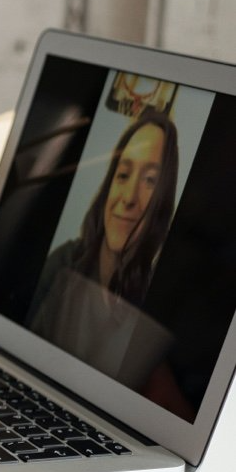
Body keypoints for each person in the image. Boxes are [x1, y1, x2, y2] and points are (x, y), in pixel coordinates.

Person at [27, 109, 180, 384]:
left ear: (163, 201)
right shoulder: (62, 265)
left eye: (149, 180)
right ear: (109, 183)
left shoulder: (155, 305)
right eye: (123, 174)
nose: (129, 197)